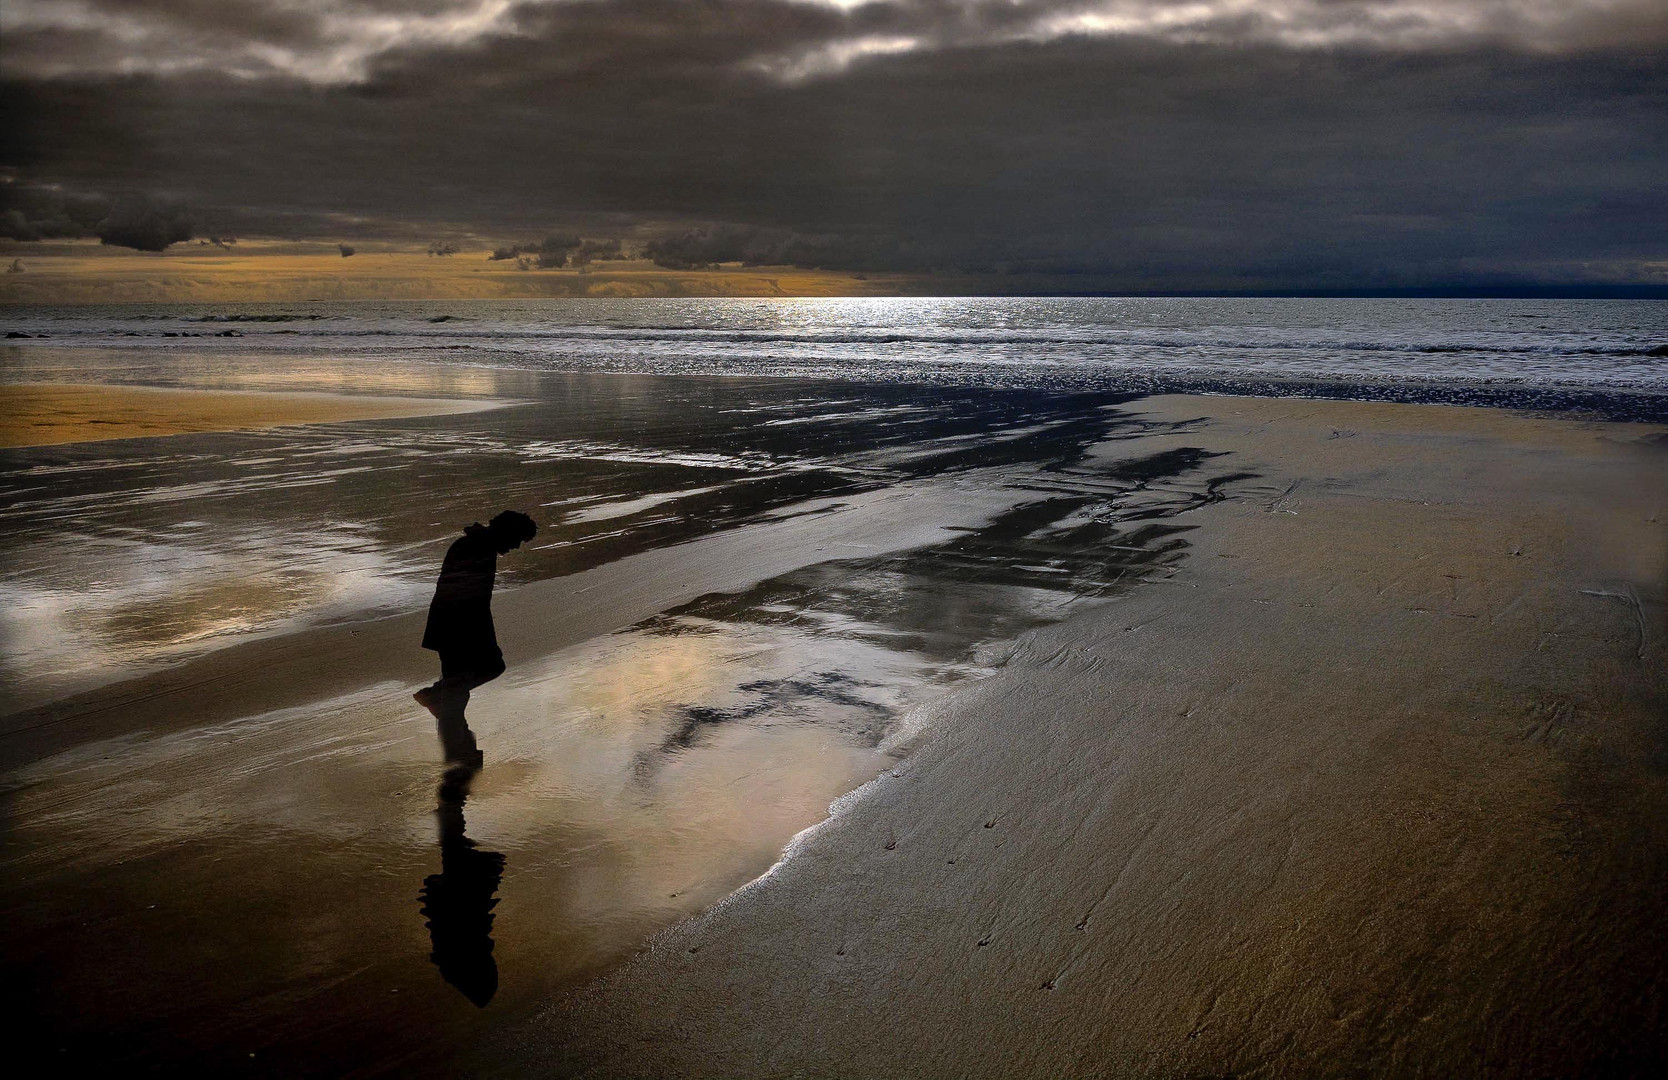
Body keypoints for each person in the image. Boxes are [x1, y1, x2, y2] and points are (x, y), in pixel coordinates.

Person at [416, 510, 538, 697]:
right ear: (507, 532)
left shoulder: (477, 544)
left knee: (462, 679)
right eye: (518, 539)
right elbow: (468, 596)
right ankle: (440, 702)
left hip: (452, 620)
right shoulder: (478, 548)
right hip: (458, 624)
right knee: (472, 675)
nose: (516, 546)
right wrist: (481, 632)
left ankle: (442, 704)